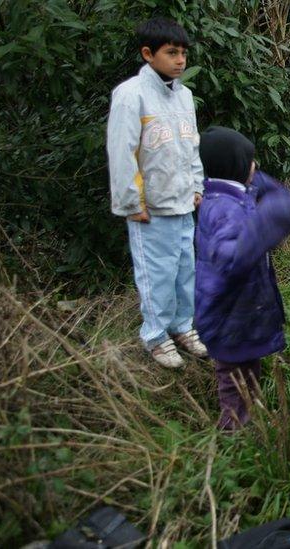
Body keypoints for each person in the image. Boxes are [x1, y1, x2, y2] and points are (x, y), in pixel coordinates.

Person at [194, 127, 290, 430]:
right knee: (235, 390)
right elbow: (231, 258)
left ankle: (249, 427)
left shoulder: (234, 196)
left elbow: (261, 191)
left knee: (249, 379)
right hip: (229, 321)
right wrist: (271, 217)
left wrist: (272, 197)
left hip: (241, 318)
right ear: (235, 166)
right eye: (250, 161)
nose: (256, 167)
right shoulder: (224, 209)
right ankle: (232, 443)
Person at [107, 17, 207, 368]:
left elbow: (191, 146)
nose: (180, 60)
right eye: (171, 53)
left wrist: (196, 186)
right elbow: (122, 151)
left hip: (182, 203)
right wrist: (132, 203)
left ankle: (182, 326)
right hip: (151, 208)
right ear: (148, 54)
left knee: (184, 269)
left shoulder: (185, 95)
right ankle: (155, 335)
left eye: (183, 53)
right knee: (157, 273)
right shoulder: (131, 95)